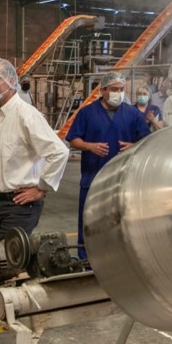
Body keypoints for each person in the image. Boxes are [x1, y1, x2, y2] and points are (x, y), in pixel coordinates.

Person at [0, 58, 70, 344]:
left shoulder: (26, 114)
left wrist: (41, 187)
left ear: (9, 82)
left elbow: (59, 152)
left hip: (20, 204)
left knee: (2, 266)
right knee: (9, 264)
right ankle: (25, 309)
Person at [65, 71, 149, 260]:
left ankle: (118, 259)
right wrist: (89, 146)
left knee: (121, 222)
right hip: (93, 177)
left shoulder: (132, 114)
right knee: (89, 221)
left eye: (121, 89)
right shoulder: (87, 113)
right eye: (114, 89)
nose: (118, 93)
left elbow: (147, 141)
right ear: (102, 90)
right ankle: (86, 260)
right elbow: (73, 139)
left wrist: (133, 146)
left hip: (123, 179)